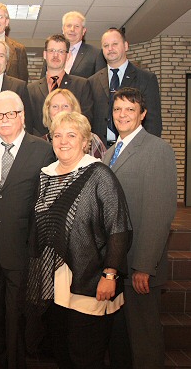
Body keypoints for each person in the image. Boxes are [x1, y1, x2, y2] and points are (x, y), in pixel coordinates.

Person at [24, 111, 132, 369]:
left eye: (71, 135)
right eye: (57, 135)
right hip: (54, 286)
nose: (63, 141)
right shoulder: (45, 176)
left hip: (90, 282)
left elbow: (119, 228)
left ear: (85, 141)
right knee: (62, 354)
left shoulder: (99, 175)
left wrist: (110, 274)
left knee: (86, 356)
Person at [103, 87, 177, 369]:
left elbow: (160, 213)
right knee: (122, 342)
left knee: (144, 342)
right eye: (118, 109)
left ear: (142, 115)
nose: (123, 115)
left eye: (130, 110)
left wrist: (144, 266)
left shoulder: (158, 150)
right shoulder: (110, 153)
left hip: (139, 267)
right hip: (117, 264)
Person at [0, 90, 54, 369]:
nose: (4, 120)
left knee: (17, 317)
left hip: (22, 249)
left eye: (10, 114)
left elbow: (46, 202)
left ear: (22, 116)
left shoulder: (42, 150)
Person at [89, 28, 161, 146]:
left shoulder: (146, 79)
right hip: (99, 151)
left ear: (126, 46)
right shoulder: (92, 81)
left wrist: (146, 149)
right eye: (106, 45)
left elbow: (153, 121)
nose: (110, 48)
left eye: (115, 44)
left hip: (134, 148)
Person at [27, 34, 93, 136]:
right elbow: (29, 123)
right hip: (40, 145)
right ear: (45, 54)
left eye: (61, 52)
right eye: (52, 51)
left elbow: (85, 120)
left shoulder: (82, 85)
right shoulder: (31, 89)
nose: (55, 55)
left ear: (68, 56)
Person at [42, 88, 106, 159]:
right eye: (55, 106)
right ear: (48, 111)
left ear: (74, 109)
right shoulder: (41, 143)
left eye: (65, 106)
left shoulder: (92, 140)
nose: (60, 110)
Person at [40, 11, 105, 78]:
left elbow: (99, 83)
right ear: (63, 29)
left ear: (83, 31)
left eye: (77, 26)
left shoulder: (95, 54)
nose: (72, 29)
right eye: (69, 26)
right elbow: (42, 81)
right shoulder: (51, 53)